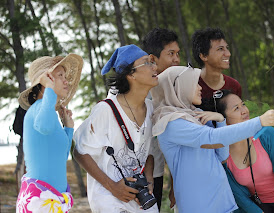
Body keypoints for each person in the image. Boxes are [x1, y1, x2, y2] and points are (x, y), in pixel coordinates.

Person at [151, 65, 274, 213]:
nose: (200, 88)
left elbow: (221, 155)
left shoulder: (195, 115)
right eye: (194, 83)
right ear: (180, 87)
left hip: (223, 203)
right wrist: (259, 122)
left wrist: (220, 121)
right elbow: (210, 138)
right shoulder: (171, 124)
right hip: (200, 207)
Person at [73, 44, 159, 213]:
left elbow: (149, 152)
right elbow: (80, 152)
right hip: (109, 198)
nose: (155, 66)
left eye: (153, 62)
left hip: (139, 199)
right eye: (147, 63)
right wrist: (112, 187)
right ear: (131, 74)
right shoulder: (106, 110)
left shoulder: (152, 109)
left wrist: (148, 178)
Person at [200, 89, 274, 213]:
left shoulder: (266, 133)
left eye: (243, 104)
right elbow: (239, 197)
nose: (244, 111)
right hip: (262, 203)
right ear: (223, 120)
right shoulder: (222, 154)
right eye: (236, 108)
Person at [16, 54, 83, 213]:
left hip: (51, 200)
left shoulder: (48, 112)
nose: (66, 81)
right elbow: (45, 126)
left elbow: (61, 155)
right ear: (46, 81)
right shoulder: (39, 108)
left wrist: (68, 127)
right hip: (39, 200)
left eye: (65, 76)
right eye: (60, 76)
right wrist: (50, 91)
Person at [142, 27, 180, 210]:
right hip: (129, 174)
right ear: (152, 58)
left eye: (178, 54)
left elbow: (176, 142)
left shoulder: (176, 91)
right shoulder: (137, 89)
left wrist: (174, 184)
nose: (176, 60)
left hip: (156, 173)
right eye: (171, 53)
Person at [191, 27, 242, 99]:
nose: (228, 54)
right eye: (220, 49)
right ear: (204, 56)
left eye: (227, 48)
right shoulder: (192, 86)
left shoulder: (234, 86)